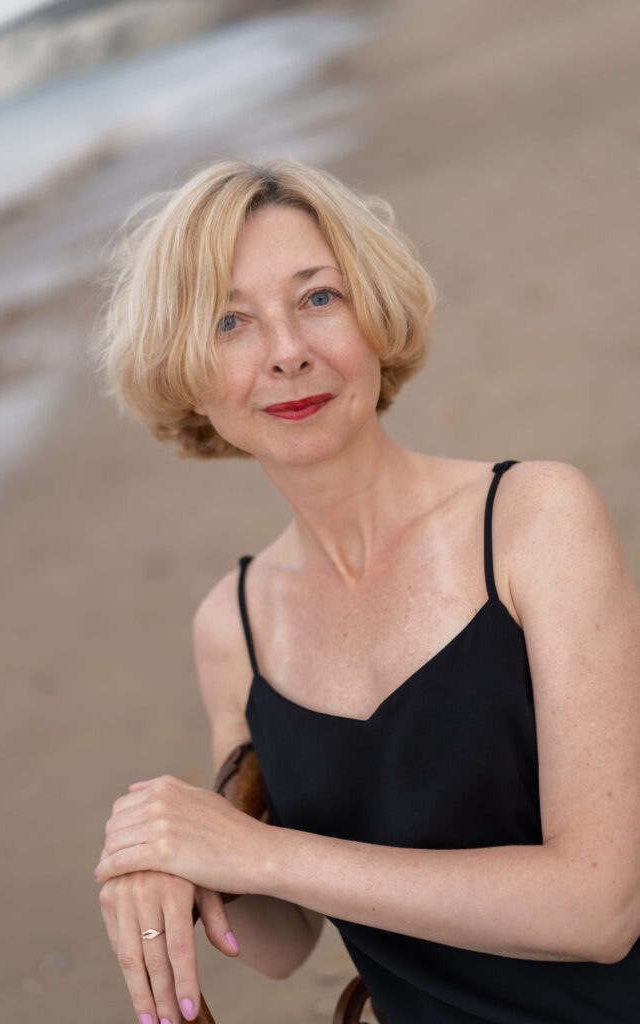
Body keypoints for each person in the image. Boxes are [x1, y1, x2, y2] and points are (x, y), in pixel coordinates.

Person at [90, 157, 640, 1024]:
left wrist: (262, 856)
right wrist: (172, 854)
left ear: (374, 316)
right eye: (230, 322)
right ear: (186, 372)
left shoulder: (532, 519)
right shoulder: (232, 624)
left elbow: (601, 907)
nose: (287, 354)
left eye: (318, 298)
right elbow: (277, 945)